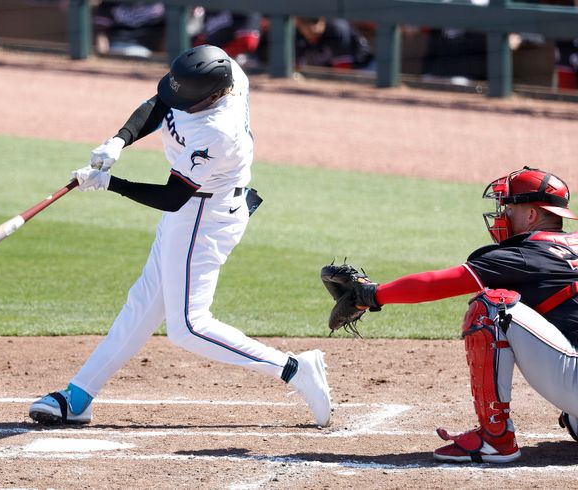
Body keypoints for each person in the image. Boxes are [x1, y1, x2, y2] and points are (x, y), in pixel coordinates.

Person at [29, 45, 332, 427]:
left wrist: (110, 183)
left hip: (206, 216)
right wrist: (119, 140)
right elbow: (160, 103)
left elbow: (173, 197)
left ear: (211, 95)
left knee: (189, 326)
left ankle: (293, 369)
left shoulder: (217, 132)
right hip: (194, 208)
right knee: (143, 304)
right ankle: (78, 396)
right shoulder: (222, 73)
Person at [328, 166, 578, 463]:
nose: (502, 214)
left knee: (492, 307)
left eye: (508, 207)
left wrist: (372, 295)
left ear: (532, 215)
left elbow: (440, 283)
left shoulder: (524, 255)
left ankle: (495, 439)